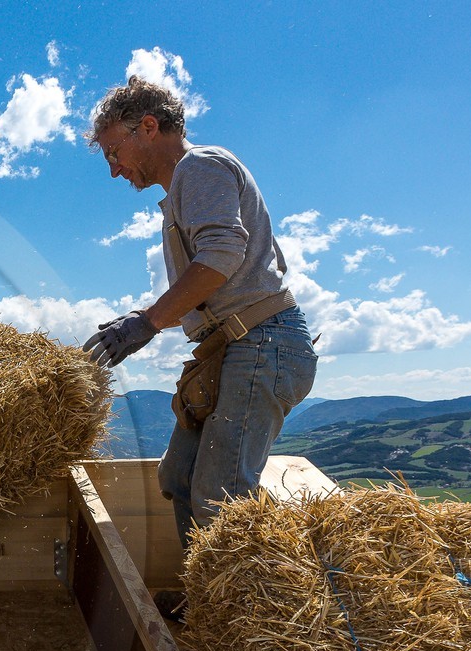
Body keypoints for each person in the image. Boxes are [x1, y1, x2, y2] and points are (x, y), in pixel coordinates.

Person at [84, 77, 318, 565]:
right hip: (234, 347)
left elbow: (222, 255)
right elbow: (246, 259)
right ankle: (207, 598)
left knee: (222, 496)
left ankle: (244, 623)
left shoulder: (200, 166)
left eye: (113, 151)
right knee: (179, 478)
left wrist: (147, 322)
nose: (113, 170)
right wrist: (149, 319)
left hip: (262, 342)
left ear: (148, 127)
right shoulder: (184, 189)